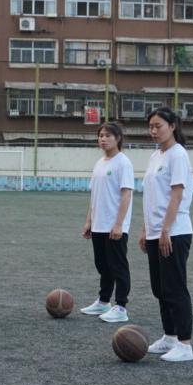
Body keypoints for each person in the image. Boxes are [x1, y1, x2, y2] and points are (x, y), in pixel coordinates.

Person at [139, 107, 193, 363]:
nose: (153, 131)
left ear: (172, 126)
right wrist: (146, 229)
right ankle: (169, 337)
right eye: (151, 126)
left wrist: (165, 230)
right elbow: (151, 197)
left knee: (175, 288)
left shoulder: (178, 155)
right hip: (155, 232)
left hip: (175, 231)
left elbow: (177, 195)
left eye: (158, 126)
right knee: (160, 288)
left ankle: (185, 344)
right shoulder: (155, 156)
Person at [80, 123, 134, 324]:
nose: (103, 139)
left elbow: (126, 194)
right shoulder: (99, 163)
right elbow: (94, 195)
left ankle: (121, 306)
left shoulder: (123, 163)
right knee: (102, 265)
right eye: (101, 135)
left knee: (118, 266)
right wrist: (89, 221)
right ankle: (103, 301)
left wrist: (119, 224)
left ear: (118, 138)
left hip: (114, 226)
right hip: (98, 225)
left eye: (108, 135)